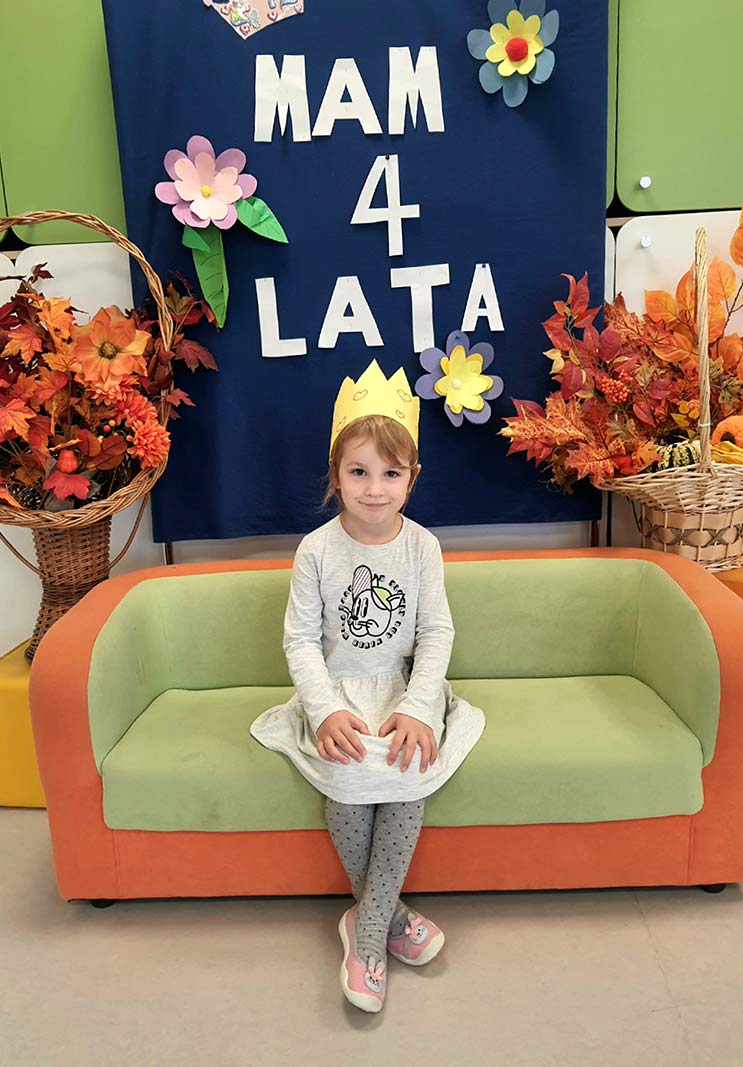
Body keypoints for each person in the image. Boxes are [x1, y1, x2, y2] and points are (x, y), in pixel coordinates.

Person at [250, 359, 485, 1013]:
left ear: (412, 477)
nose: (374, 489)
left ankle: (367, 933)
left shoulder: (423, 547)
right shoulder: (316, 551)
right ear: (336, 475)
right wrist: (325, 709)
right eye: (358, 472)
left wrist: (419, 706)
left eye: (390, 473)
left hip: (404, 690)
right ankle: (387, 920)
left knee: (408, 774)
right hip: (339, 690)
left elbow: (436, 633)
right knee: (349, 778)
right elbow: (301, 641)